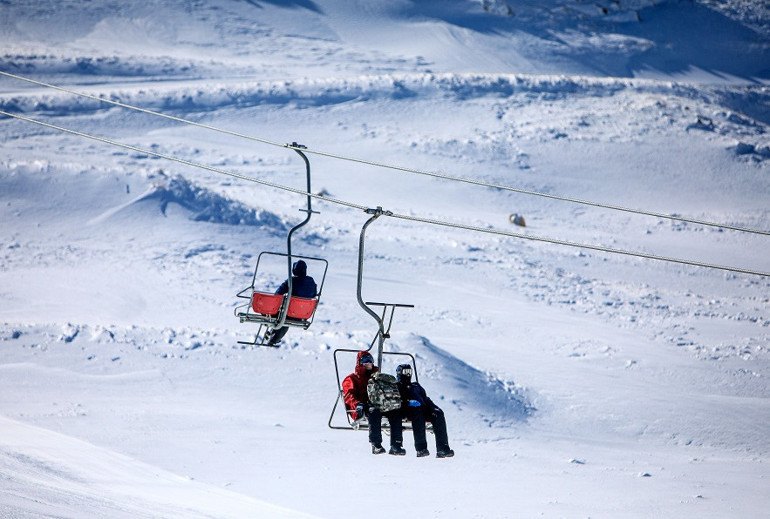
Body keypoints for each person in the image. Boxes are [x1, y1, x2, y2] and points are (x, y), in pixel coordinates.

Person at [342, 351, 406, 456]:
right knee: (374, 412)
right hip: (363, 406)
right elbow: (349, 395)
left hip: (380, 404)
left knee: (395, 412)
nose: (368, 363)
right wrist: (357, 404)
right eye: (364, 361)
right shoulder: (352, 379)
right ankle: (376, 445)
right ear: (359, 363)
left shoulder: (377, 377)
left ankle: (396, 445)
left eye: (370, 361)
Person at [396, 363, 454, 458]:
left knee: (438, 414)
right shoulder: (397, 386)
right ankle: (421, 448)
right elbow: (395, 400)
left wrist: (433, 408)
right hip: (408, 410)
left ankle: (442, 449)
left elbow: (425, 399)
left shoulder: (416, 386)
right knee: (418, 415)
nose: (408, 375)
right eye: (405, 372)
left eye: (409, 372)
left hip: (422, 408)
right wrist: (408, 403)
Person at [265, 260, 317, 346]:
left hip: (290, 314)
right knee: (286, 319)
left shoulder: (291, 281)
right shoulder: (311, 281)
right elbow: (314, 294)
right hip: (303, 315)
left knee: (282, 316)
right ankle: (273, 338)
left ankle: (273, 335)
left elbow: (277, 294)